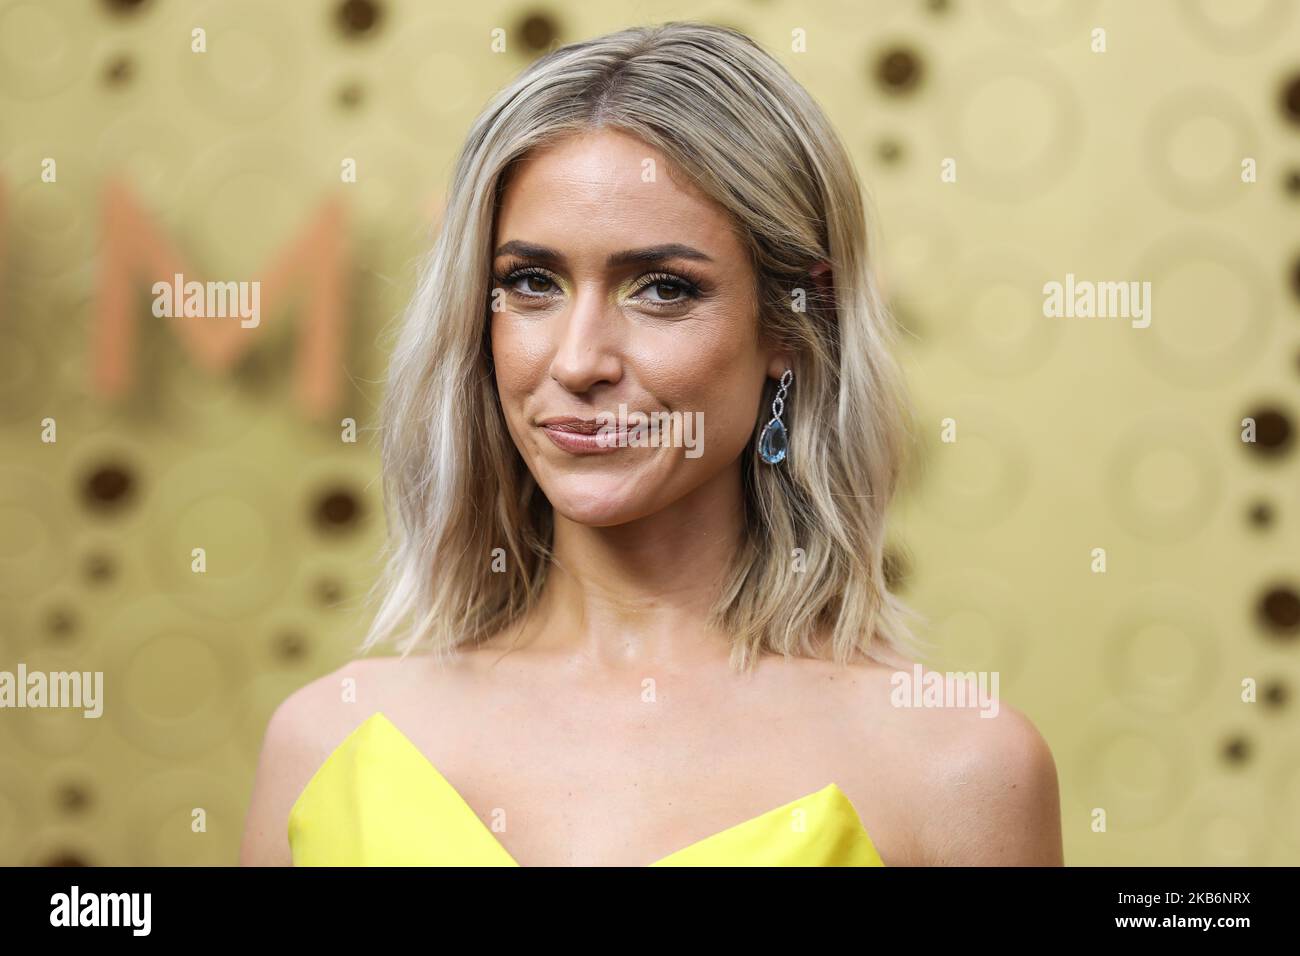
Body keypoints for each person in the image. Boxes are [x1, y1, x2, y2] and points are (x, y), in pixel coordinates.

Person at [240, 21, 1063, 867]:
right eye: (531, 283)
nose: (578, 359)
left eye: (663, 289)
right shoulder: (324, 741)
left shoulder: (959, 769)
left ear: (792, 322)